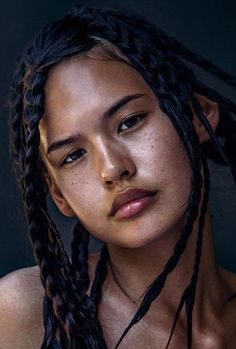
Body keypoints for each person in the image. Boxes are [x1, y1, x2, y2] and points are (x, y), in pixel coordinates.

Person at [0, 3, 236, 348]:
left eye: (129, 122)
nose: (112, 168)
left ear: (197, 114)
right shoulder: (25, 314)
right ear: (59, 195)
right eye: (74, 155)